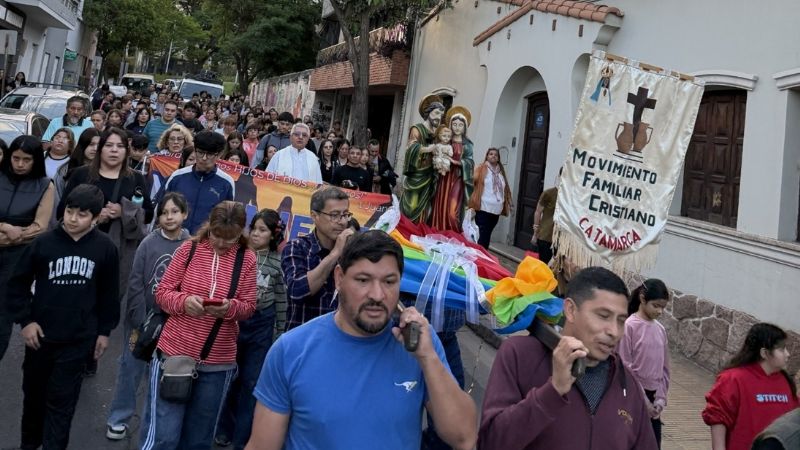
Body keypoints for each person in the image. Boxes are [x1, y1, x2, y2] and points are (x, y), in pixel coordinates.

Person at [246, 230, 478, 450]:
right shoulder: (290, 350)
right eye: (363, 280)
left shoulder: (420, 346)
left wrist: (427, 358)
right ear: (339, 278)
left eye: (389, 282)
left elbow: (463, 436)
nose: (377, 295)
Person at [478, 266, 659, 450]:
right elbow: (491, 442)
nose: (614, 331)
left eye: (621, 320)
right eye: (603, 316)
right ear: (571, 310)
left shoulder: (627, 384)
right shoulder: (520, 355)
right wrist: (553, 390)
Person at [9, 184, 120, 449]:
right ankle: (30, 445)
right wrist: (26, 321)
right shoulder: (43, 243)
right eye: (70, 211)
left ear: (95, 218)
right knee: (34, 399)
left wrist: (104, 332)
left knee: (62, 402)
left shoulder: (105, 248)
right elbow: (17, 283)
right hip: (41, 337)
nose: (73, 218)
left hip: (78, 339)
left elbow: (109, 294)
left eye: (82, 214)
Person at [140, 201, 257, 449]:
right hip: (175, 355)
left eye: (230, 238)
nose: (222, 243)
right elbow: (162, 294)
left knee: (199, 440)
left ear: (241, 234)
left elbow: (248, 306)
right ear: (209, 227)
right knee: (164, 436)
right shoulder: (189, 249)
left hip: (217, 362)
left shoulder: (246, 259)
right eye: (217, 235)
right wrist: (184, 302)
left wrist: (229, 309)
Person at [105, 192, 191, 441]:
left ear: (184, 214)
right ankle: (118, 417)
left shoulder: (191, 245)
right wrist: (139, 317)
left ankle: (153, 422)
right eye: (164, 212)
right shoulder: (148, 243)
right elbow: (136, 282)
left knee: (163, 374)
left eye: (175, 211)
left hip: (172, 320)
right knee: (131, 368)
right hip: (142, 318)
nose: (169, 217)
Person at [216, 209, 287, 449]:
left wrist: (278, 334)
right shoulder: (239, 256)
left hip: (262, 326)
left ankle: (242, 439)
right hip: (236, 322)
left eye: (262, 230)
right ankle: (223, 429)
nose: (255, 234)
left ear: (273, 235)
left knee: (250, 383)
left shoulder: (278, 262)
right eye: (253, 228)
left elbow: (281, 300)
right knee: (230, 376)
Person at [0, 136, 54, 360]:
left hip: (17, 257)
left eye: (26, 160)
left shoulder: (45, 185)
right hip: (11, 239)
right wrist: (5, 227)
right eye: (15, 158)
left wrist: (16, 234)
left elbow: (40, 227)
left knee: (3, 312)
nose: (19, 164)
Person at [702, 323, 798, 450]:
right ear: (764, 353)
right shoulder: (732, 379)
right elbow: (718, 418)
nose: (788, 354)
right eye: (782, 349)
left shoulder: (785, 381)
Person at [281, 186, 355, 330]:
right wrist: (334, 254)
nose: (342, 222)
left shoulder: (352, 252)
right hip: (303, 341)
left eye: (345, 214)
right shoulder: (296, 247)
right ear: (314, 216)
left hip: (339, 340)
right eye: (334, 215)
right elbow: (297, 292)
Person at [617, 279, 671, 448]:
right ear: (642, 299)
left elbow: (665, 368)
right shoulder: (629, 326)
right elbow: (625, 365)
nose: (660, 311)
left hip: (654, 399)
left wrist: (661, 399)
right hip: (633, 396)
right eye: (656, 306)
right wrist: (643, 401)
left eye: (663, 307)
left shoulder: (660, 329)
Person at [162, 131, 235, 233]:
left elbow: (227, 219)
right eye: (200, 152)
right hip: (173, 239)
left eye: (209, 154)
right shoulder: (177, 177)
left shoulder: (227, 183)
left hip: (205, 243)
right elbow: (160, 210)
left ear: (219, 155)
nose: (204, 158)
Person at [400, 94, 445, 224]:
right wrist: (428, 149)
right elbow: (411, 147)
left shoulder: (437, 133)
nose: (438, 117)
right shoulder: (417, 129)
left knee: (424, 206)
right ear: (428, 112)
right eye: (436, 113)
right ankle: (406, 227)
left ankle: (418, 229)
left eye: (441, 115)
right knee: (412, 205)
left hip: (429, 174)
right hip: (416, 174)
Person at [431, 107, 475, 232]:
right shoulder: (446, 140)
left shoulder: (468, 144)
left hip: (458, 178)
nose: (457, 127)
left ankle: (452, 233)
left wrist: (455, 162)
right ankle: (439, 231)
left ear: (464, 127)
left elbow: (470, 162)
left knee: (452, 211)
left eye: (460, 125)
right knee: (440, 206)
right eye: (454, 124)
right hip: (443, 177)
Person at [468, 147, 513, 249]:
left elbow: (506, 189)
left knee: (487, 234)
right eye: (491, 154)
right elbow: (472, 181)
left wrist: (509, 202)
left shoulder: (501, 172)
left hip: (496, 210)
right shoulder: (482, 168)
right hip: (484, 207)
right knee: (483, 235)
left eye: (496, 155)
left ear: (498, 158)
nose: (493, 156)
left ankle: (482, 255)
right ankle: (480, 256)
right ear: (487, 156)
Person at [532, 168, 561, 264]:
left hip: (562, 239)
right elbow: (538, 212)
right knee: (543, 265)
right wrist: (535, 232)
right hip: (546, 236)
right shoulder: (549, 193)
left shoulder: (572, 196)